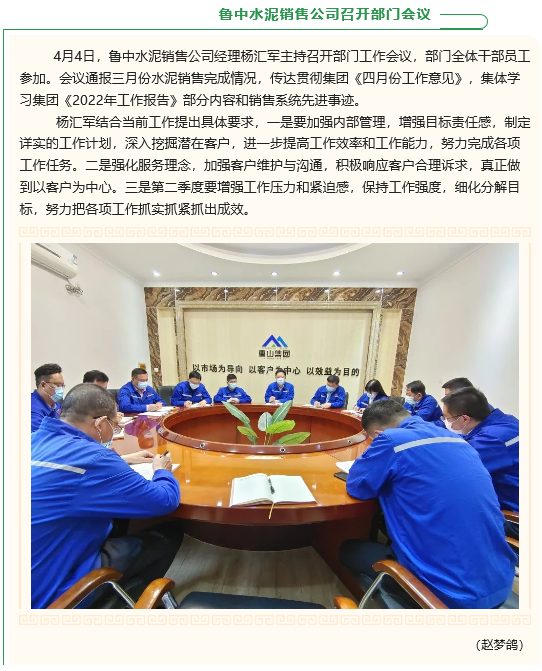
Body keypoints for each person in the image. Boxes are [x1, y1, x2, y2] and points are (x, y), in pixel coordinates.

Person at [340, 400, 516, 609]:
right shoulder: (458, 439)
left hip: (452, 597)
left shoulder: (390, 439)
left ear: (377, 434)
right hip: (501, 582)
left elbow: (357, 486)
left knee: (348, 550)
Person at [31, 383, 183, 609]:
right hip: (51, 595)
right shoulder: (94, 458)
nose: (115, 430)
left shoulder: (30, 441)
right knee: (169, 533)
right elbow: (164, 500)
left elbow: (68, 475)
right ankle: (125, 604)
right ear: (100, 423)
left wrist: (123, 460)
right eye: (115, 425)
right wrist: (162, 471)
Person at [441, 387, 519, 539]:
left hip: (513, 518)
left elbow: (453, 466)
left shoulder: (493, 439)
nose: (445, 423)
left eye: (447, 419)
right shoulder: (506, 422)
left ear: (465, 419)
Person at [31, 363, 64, 432]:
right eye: (57, 385)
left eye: (62, 385)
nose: (61, 389)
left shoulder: (57, 403)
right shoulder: (32, 409)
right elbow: (39, 436)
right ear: (43, 385)